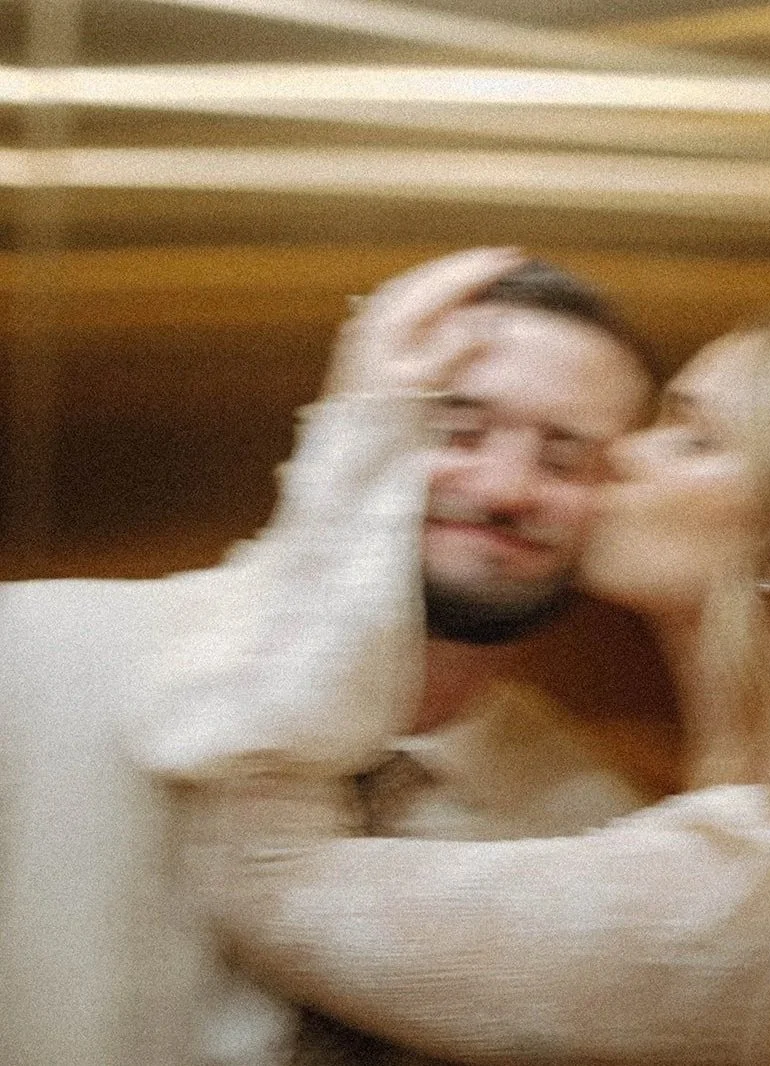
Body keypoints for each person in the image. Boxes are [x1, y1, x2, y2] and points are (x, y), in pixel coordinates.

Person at [187, 313, 770, 1066]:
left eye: (694, 438)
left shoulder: (768, 899)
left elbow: (268, 880)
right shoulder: (747, 840)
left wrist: (364, 424)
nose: (619, 452)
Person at [0, 248, 667, 1066]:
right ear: (357, 423)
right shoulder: (32, 659)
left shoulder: (590, 826)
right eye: (455, 427)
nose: (503, 489)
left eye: (565, 457)